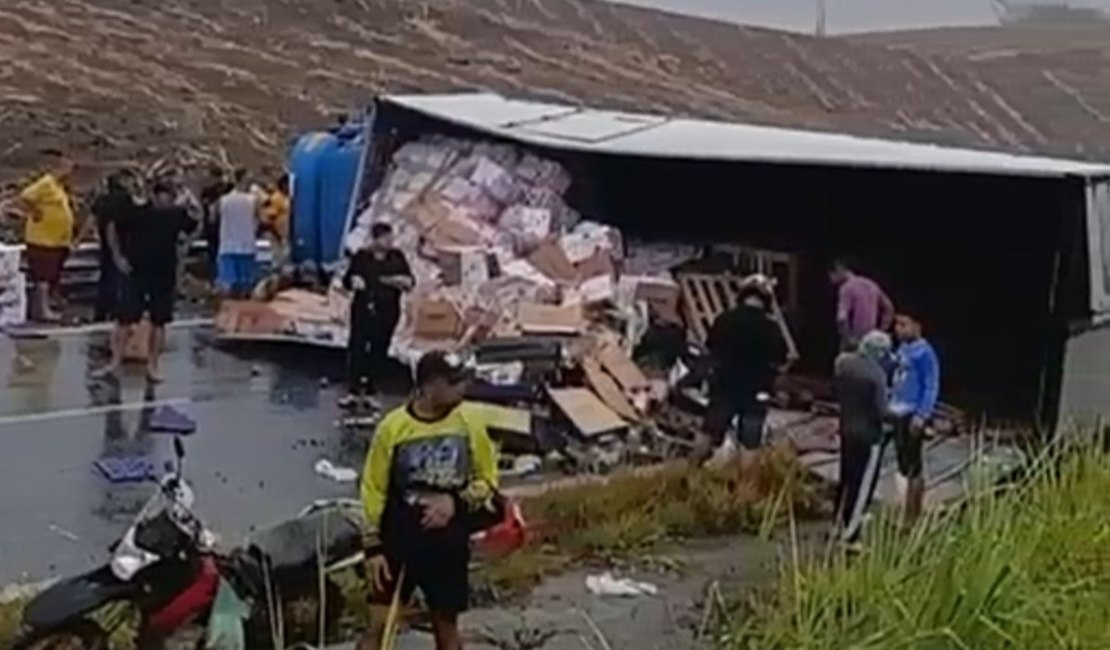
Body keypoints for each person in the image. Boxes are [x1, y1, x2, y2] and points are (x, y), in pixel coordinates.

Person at [358, 351, 499, 650]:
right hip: (399, 541)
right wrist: (373, 547)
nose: (462, 389)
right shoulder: (393, 428)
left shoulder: (470, 421)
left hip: (446, 544)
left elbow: (487, 480)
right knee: (379, 628)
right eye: (454, 383)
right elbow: (373, 488)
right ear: (429, 387)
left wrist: (455, 502)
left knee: (446, 629)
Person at [97, 182, 198, 382]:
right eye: (163, 196)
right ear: (154, 196)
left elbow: (195, 226)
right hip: (136, 271)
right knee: (124, 318)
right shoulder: (137, 212)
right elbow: (112, 226)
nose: (166, 201)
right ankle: (115, 362)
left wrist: (184, 246)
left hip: (163, 273)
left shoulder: (175, 214)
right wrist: (117, 257)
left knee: (159, 321)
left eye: (170, 197)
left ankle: (153, 366)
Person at [695, 281, 789, 475]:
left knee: (709, 431)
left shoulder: (724, 320)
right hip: (756, 390)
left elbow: (710, 348)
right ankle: (746, 488)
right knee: (750, 442)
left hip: (725, 385)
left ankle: (690, 472)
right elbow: (781, 358)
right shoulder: (770, 327)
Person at [341, 222, 413, 409]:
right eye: (385, 238)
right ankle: (353, 390)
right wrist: (354, 280)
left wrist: (398, 281)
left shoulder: (397, 258)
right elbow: (347, 279)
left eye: (391, 237)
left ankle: (372, 390)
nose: (390, 241)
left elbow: (409, 281)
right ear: (376, 239)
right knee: (357, 348)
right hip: (363, 309)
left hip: (387, 311)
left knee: (379, 350)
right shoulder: (362, 257)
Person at [833, 330, 893, 548]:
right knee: (861, 485)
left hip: (846, 428)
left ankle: (836, 523)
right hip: (868, 434)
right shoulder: (876, 375)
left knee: (846, 479)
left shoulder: (842, 363)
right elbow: (882, 410)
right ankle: (851, 534)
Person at [890, 311, 941, 525]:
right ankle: (903, 509)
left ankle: (913, 514)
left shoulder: (925, 352)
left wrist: (922, 414)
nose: (898, 329)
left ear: (917, 326)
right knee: (901, 461)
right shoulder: (902, 349)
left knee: (913, 464)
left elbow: (931, 385)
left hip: (912, 412)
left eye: (904, 324)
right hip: (897, 410)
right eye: (896, 324)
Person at [18, 150, 77, 322]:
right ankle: (42, 310)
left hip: (57, 240)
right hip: (43, 239)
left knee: (51, 274)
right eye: (68, 167)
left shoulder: (59, 187)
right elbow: (26, 196)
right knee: (42, 275)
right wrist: (35, 211)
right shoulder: (46, 183)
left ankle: (49, 303)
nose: (70, 171)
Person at [90, 171, 137, 322]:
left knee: (106, 275)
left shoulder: (102, 200)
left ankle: (102, 309)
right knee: (118, 277)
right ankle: (116, 308)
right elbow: (113, 225)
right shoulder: (123, 201)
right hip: (122, 242)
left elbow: (92, 219)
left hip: (105, 243)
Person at [829, 258, 895, 351]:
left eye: (831, 273)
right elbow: (889, 308)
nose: (830, 278)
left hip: (856, 340)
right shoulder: (871, 284)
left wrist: (847, 339)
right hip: (872, 341)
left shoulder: (846, 288)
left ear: (840, 269)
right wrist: (881, 331)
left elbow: (841, 319)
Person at [215, 169, 262, 298]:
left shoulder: (223, 200)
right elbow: (260, 219)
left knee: (229, 285)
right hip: (247, 245)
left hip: (227, 246)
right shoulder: (254, 200)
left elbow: (213, 218)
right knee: (247, 285)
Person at [199, 166, 231, 275]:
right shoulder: (208, 190)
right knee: (213, 251)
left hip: (220, 225)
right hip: (213, 228)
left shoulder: (225, 189)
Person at [261, 173, 291, 269]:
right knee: (278, 261)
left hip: (284, 234)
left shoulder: (286, 198)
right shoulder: (276, 198)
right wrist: (277, 235)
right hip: (277, 236)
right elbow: (269, 219)